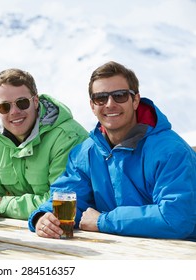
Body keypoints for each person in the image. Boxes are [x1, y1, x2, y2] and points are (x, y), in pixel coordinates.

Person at [28, 61, 196, 240]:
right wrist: (43, 218)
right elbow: (70, 197)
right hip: (116, 252)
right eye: (101, 98)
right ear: (92, 106)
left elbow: (176, 218)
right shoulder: (86, 153)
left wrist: (103, 221)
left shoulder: (171, 152)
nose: (110, 104)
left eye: (120, 95)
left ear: (135, 100)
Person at [0, 68, 88, 220]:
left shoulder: (66, 137)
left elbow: (60, 202)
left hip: (73, 230)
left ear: (35, 101)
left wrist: (1, 204)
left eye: (22, 103)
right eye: (5, 107)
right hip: (26, 230)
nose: (14, 111)